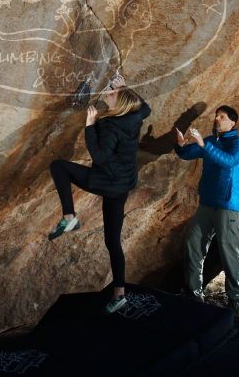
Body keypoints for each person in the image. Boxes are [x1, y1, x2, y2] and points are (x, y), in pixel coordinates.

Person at [48, 72, 151, 314]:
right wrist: (125, 87)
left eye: (112, 93)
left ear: (120, 102)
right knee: (112, 241)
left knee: (59, 167)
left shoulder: (110, 125)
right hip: (123, 185)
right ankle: (119, 293)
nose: (108, 92)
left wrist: (90, 125)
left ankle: (69, 217)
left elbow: (100, 156)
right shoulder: (135, 116)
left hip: (107, 181)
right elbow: (146, 108)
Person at [174, 105, 239, 315]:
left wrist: (204, 146)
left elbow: (229, 161)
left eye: (222, 117)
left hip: (228, 206)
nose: (217, 119)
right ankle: (193, 293)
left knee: (228, 251)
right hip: (207, 204)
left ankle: (235, 301)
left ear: (232, 122)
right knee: (193, 244)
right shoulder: (209, 141)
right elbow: (187, 154)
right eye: (216, 116)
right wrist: (180, 145)